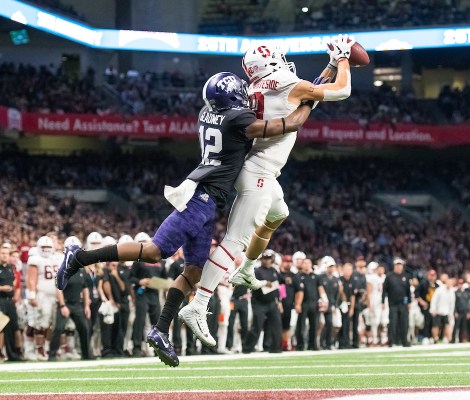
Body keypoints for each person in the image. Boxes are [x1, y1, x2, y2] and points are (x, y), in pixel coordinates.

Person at [56, 71, 316, 367]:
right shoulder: (237, 120)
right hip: (201, 199)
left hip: (207, 198)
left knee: (193, 271)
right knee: (155, 251)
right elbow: (291, 124)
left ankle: (160, 330)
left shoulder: (208, 112)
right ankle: (79, 258)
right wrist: (309, 100)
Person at [182, 35, 355, 345]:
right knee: (235, 239)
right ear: (272, 61)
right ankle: (198, 304)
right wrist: (343, 59)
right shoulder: (287, 81)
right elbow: (341, 90)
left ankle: (246, 270)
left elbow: (304, 95)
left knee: (279, 212)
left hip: (255, 168)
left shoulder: (253, 88)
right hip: (258, 172)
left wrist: (328, 66)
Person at [49, 237, 91, 361]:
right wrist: (62, 305)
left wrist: (87, 305)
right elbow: (59, 288)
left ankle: (86, 355)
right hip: (65, 303)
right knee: (58, 329)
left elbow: (85, 288)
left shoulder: (81, 268)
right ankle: (52, 355)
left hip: (77, 304)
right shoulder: (63, 268)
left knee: (84, 328)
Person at [26, 236, 60, 360]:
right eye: (43, 247)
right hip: (41, 296)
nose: (46, 249)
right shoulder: (35, 258)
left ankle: (43, 347)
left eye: (48, 247)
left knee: (48, 324)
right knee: (36, 323)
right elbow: (31, 279)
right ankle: (33, 349)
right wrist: (32, 295)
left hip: (53, 297)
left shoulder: (55, 258)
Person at [242, 250, 283, 353]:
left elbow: (279, 284)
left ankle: (275, 347)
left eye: (269, 258)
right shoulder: (257, 270)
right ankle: (247, 348)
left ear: (272, 259)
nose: (267, 260)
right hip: (259, 302)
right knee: (257, 326)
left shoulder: (274, 270)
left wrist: (280, 300)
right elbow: (253, 284)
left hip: (272, 302)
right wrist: (264, 283)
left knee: (276, 325)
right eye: (265, 258)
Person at [382, 258, 411, 347]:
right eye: (397, 265)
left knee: (404, 323)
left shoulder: (405, 276)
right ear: (394, 266)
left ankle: (404, 341)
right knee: (393, 323)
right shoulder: (389, 276)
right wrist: (382, 301)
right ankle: (391, 341)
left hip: (403, 303)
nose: (399, 267)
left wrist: (409, 302)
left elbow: (408, 291)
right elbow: (384, 290)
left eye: (400, 265)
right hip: (393, 303)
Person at [296, 258, 323, 351]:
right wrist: (297, 304)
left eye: (309, 263)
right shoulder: (298, 276)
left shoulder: (316, 276)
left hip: (313, 303)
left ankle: (313, 344)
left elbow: (320, 289)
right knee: (301, 326)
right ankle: (300, 345)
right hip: (303, 303)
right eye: (305, 263)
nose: (307, 265)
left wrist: (323, 301)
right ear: (302, 265)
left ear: (311, 264)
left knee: (314, 325)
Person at [280, 254, 303, 351]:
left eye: (290, 262)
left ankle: (285, 344)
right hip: (277, 304)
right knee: (277, 325)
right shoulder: (277, 274)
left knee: (287, 326)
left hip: (289, 305)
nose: (288, 264)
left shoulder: (294, 276)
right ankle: (278, 343)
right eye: (286, 261)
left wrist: (298, 304)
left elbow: (299, 291)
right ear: (282, 262)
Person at [0, 245, 19, 361]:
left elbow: (15, 284)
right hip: (0, 300)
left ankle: (13, 354)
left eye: (6, 253)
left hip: (10, 301)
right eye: (2, 253)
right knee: (1, 327)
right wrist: (2, 288)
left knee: (13, 327)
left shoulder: (11, 268)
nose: (4, 255)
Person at [318, 256, 341, 350]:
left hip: (331, 305)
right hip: (321, 305)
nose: (331, 268)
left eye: (332, 266)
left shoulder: (336, 279)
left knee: (330, 324)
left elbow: (337, 294)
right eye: (329, 266)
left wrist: (335, 304)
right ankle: (320, 342)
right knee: (321, 324)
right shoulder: (321, 278)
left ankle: (328, 343)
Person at [430, 277, 456, 344]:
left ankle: (450, 339)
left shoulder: (452, 292)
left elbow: (452, 304)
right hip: (438, 311)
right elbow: (434, 300)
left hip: (446, 312)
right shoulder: (439, 290)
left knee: (447, 325)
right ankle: (435, 339)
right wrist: (433, 309)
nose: (449, 284)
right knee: (436, 326)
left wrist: (451, 313)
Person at [415, 269, 438, 344]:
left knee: (433, 322)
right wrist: (422, 302)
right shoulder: (423, 283)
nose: (432, 277)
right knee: (425, 322)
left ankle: (431, 337)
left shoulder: (437, 285)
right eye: (431, 275)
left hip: (433, 307)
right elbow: (417, 293)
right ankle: (425, 337)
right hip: (425, 306)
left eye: (433, 275)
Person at [339, 263, 356, 349]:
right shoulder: (339, 280)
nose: (348, 271)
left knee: (347, 325)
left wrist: (352, 308)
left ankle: (346, 342)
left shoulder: (352, 281)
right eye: (346, 269)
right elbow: (339, 293)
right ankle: (341, 343)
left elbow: (353, 295)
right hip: (340, 305)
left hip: (348, 305)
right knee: (340, 325)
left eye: (349, 269)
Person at [454, 278, 470, 343]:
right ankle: (453, 339)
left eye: (461, 283)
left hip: (464, 311)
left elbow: (467, 303)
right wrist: (455, 311)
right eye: (459, 283)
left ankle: (461, 339)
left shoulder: (465, 293)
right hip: (458, 312)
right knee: (456, 326)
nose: (460, 285)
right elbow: (453, 303)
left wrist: (468, 312)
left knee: (463, 327)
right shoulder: (455, 292)